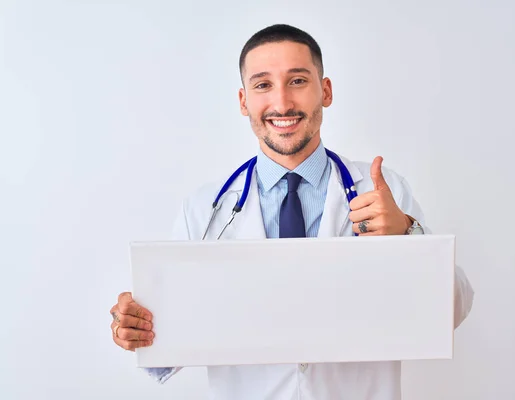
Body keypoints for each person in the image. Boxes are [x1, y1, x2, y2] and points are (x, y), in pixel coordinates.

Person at [109, 23, 474, 399]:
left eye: (298, 81)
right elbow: (169, 341)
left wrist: (407, 234)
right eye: (263, 85)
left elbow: (453, 309)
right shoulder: (204, 209)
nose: (282, 103)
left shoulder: (382, 191)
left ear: (325, 90)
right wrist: (135, 328)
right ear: (243, 100)